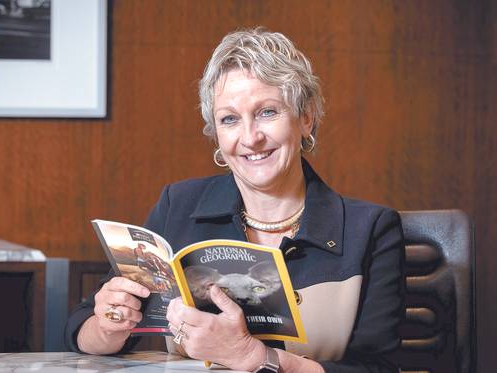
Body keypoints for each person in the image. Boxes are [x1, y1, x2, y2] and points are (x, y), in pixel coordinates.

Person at [65, 28, 405, 372]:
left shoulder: (371, 229)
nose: (250, 138)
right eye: (229, 119)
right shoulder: (178, 206)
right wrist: (108, 326)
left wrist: (253, 358)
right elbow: (83, 327)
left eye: (267, 112)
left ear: (306, 117)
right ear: (216, 134)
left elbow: (379, 368)